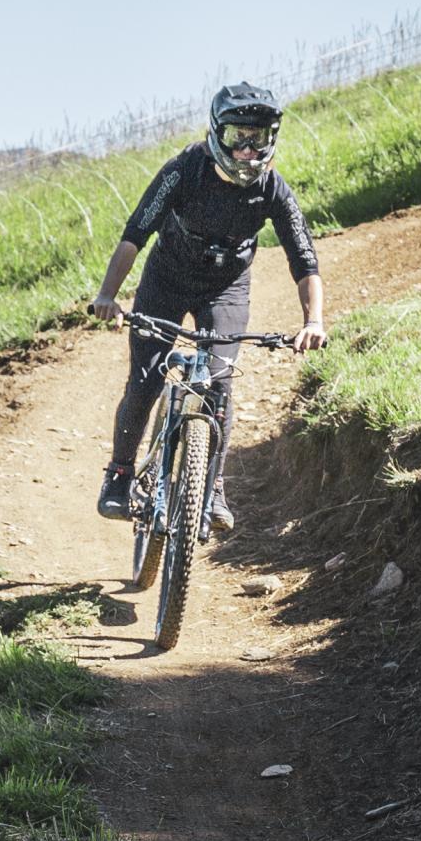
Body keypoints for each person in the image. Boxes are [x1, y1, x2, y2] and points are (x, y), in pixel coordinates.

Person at [89, 83, 327, 533]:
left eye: (258, 137)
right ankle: (120, 474)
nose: (247, 148)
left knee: (218, 384)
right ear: (218, 133)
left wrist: (313, 321)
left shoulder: (273, 188)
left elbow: (305, 258)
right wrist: (107, 296)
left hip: (226, 288)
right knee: (146, 380)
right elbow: (134, 235)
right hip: (167, 282)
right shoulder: (184, 170)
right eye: (239, 135)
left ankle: (211, 485)